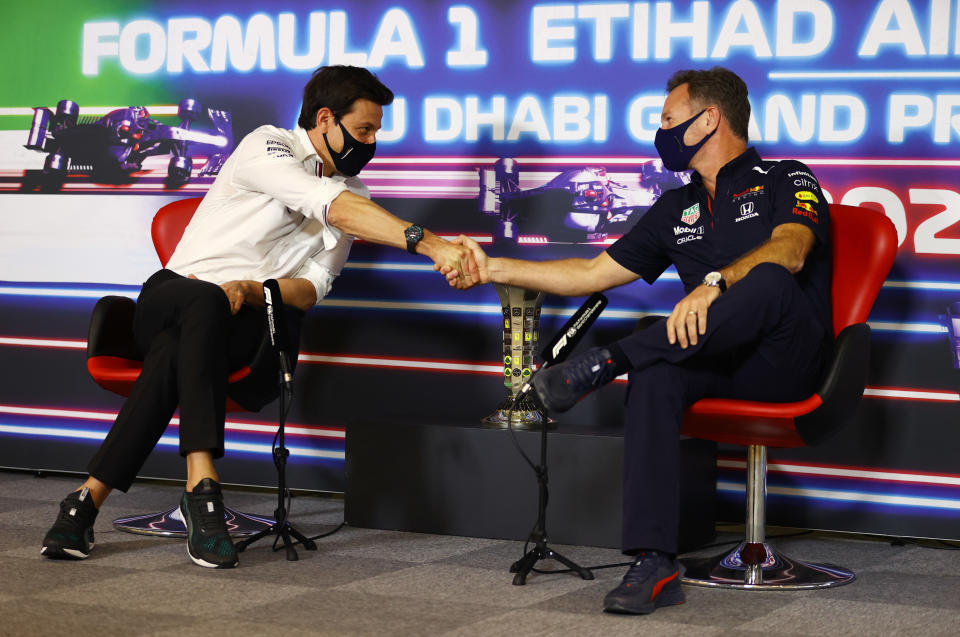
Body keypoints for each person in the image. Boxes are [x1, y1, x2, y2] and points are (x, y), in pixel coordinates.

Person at [41, 65, 474, 568]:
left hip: (242, 319)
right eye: (364, 129)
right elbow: (322, 202)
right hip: (170, 297)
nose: (373, 141)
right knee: (199, 303)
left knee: (179, 347)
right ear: (325, 118)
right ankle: (203, 487)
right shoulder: (269, 146)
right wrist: (433, 244)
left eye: (376, 130)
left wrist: (250, 288)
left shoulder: (359, 194)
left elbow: (312, 288)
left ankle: (84, 502)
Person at [447, 67, 832, 614]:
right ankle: (655, 562)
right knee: (657, 375)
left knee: (767, 276)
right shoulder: (676, 208)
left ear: (709, 119)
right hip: (718, 360)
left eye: (670, 121)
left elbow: (791, 251)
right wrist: (492, 269)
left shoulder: (786, 177)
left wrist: (714, 283)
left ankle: (612, 360)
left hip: (789, 359)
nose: (662, 133)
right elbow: (587, 274)